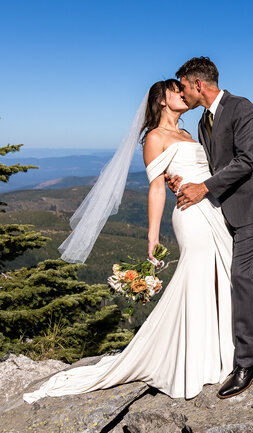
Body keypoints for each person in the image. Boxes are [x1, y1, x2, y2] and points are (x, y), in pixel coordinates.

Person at [23, 79, 234, 403]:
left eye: (183, 89)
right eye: (175, 90)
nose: (182, 93)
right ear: (161, 100)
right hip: (190, 216)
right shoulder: (154, 137)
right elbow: (155, 187)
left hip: (213, 210)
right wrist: (153, 238)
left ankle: (218, 354)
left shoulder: (190, 135)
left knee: (220, 277)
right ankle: (194, 363)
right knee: (197, 278)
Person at [169, 57, 253, 399]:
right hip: (220, 210)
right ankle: (221, 353)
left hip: (249, 207)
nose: (182, 93)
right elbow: (210, 165)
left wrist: (203, 188)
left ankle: (249, 362)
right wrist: (184, 179)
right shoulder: (204, 122)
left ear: (198, 84)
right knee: (219, 276)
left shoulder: (242, 108)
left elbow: (247, 162)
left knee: (242, 277)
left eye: (184, 86)